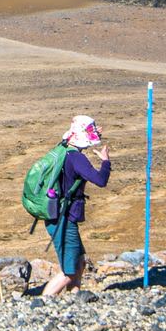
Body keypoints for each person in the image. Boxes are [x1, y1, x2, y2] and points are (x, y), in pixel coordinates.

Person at [42, 115, 113, 297]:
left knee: (79, 261)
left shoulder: (63, 150)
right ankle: (42, 303)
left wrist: (93, 133)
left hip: (58, 215)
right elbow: (100, 180)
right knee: (70, 270)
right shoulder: (76, 158)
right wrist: (105, 161)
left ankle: (75, 298)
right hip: (64, 218)